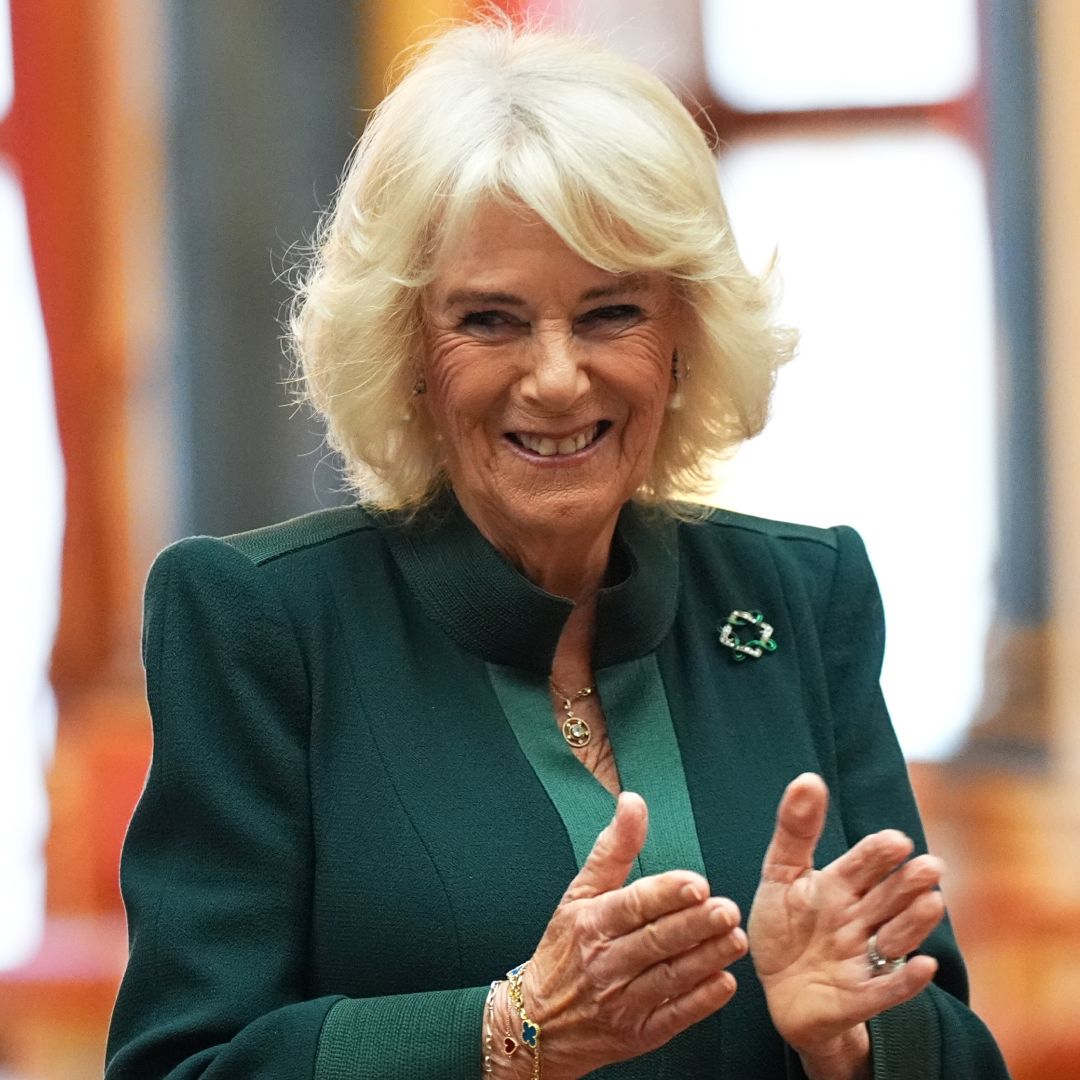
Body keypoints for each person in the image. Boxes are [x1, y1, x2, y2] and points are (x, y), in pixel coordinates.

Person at [105, 17, 1010, 1080]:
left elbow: (948, 1037)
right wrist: (507, 1032)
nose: (556, 379)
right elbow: (179, 1067)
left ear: (683, 340)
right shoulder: (260, 623)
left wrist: (848, 1038)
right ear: (407, 355)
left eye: (608, 312)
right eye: (490, 321)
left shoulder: (802, 596)